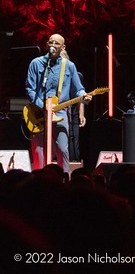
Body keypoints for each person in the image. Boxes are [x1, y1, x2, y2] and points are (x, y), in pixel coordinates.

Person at [25, 34, 92, 173]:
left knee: (62, 148)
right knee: (39, 150)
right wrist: (42, 105)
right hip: (38, 112)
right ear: (46, 45)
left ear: (63, 47)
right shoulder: (36, 63)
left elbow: (78, 89)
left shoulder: (69, 66)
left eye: (57, 43)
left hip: (61, 112)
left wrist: (84, 96)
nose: (53, 45)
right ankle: (39, 179)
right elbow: (30, 89)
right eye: (51, 42)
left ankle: (64, 178)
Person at [60, 48, 86, 163]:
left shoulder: (77, 75)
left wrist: (81, 114)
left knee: (73, 137)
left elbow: (80, 95)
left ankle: (73, 161)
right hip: (57, 110)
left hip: (72, 111)